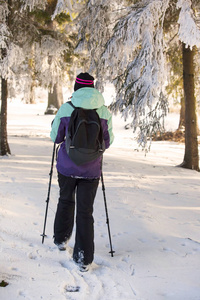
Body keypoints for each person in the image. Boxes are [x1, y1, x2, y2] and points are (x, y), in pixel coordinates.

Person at [50, 72, 114, 271]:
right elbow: (108, 141)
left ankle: (61, 239)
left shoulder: (66, 108)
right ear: (93, 88)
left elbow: (56, 138)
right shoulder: (103, 111)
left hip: (66, 168)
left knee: (65, 199)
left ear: (76, 87)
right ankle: (84, 259)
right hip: (91, 170)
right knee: (86, 211)